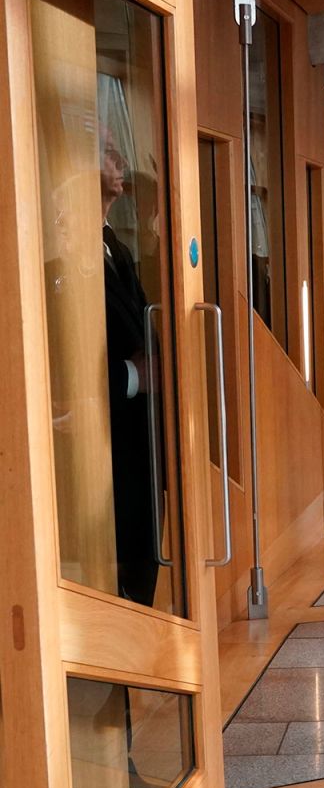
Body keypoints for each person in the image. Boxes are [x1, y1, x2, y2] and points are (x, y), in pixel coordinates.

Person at [101, 127, 160, 607]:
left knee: (144, 555)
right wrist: (136, 375)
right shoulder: (67, 252)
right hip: (103, 443)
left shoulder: (114, 246)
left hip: (140, 438)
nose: (118, 156)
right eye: (104, 149)